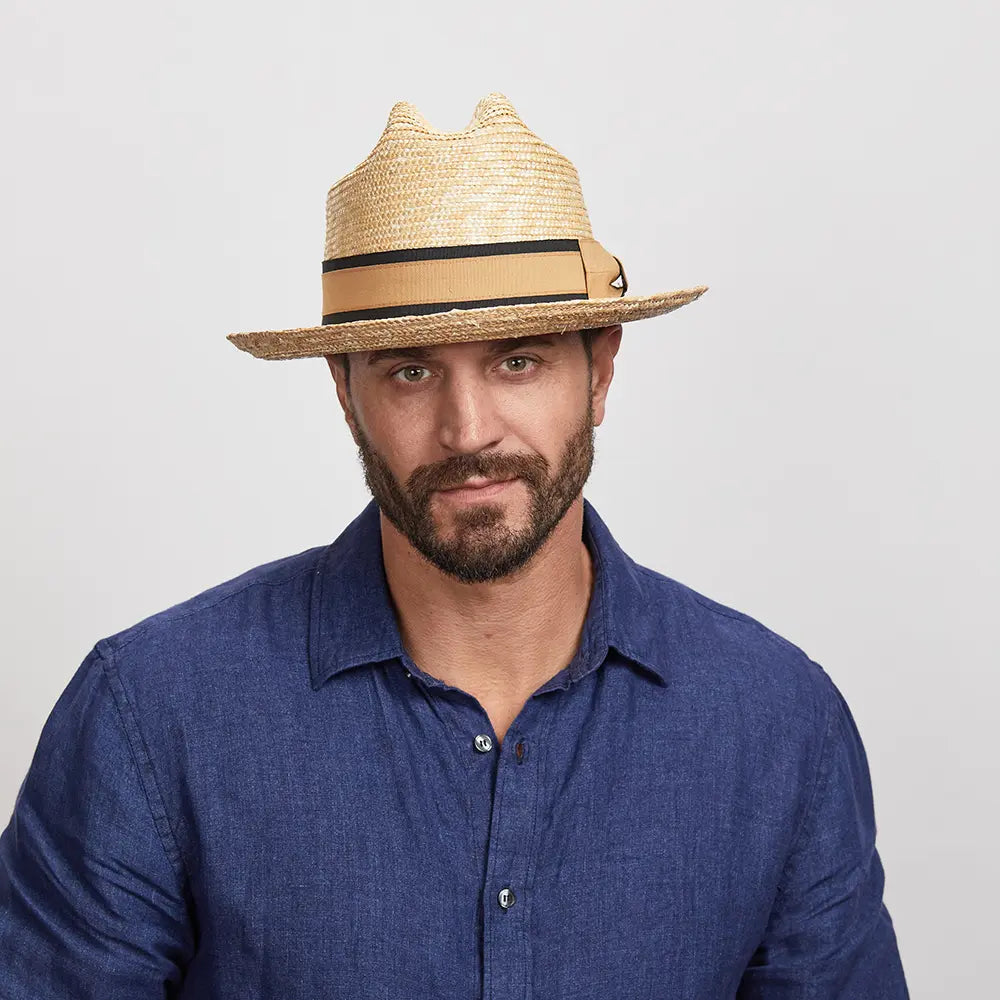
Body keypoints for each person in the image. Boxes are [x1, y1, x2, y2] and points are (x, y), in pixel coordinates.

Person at [0, 93, 909, 998]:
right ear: (346, 394)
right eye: (410, 371)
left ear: (600, 372)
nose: (467, 431)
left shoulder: (777, 723)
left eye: (518, 361)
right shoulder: (152, 715)